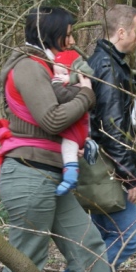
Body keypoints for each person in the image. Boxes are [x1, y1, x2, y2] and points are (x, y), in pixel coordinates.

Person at [0, 6, 127, 272]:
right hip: (29, 175)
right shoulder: (28, 66)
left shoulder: (47, 67)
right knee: (27, 257)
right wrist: (87, 94)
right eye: (68, 34)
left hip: (50, 176)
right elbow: (53, 120)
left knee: (87, 244)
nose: (72, 41)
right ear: (51, 33)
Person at [50, 5, 136, 272]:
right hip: (106, 170)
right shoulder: (107, 66)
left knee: (102, 242)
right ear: (122, 32)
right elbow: (112, 128)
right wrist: (130, 177)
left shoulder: (108, 63)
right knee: (126, 241)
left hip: (102, 168)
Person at [51, 48, 97, 196]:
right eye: (56, 73)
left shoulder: (76, 89)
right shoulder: (80, 88)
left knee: (68, 149)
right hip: (79, 128)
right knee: (69, 150)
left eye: (64, 74)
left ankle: (70, 178)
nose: (58, 77)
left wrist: (55, 84)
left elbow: (63, 97)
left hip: (75, 130)